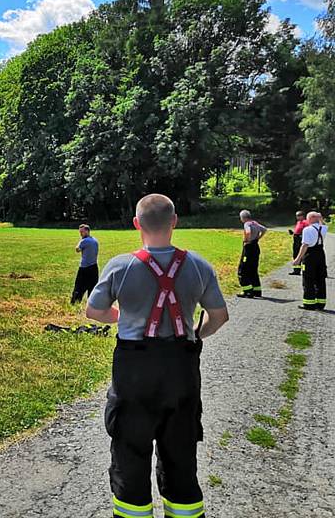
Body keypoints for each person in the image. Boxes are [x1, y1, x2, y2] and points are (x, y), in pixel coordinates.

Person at [86, 194, 229, 518]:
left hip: (134, 371)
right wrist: (195, 333)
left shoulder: (121, 266)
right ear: (174, 221)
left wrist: (120, 315)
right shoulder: (198, 265)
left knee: (130, 455)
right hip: (181, 368)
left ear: (137, 224)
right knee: (180, 456)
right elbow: (219, 315)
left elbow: (93, 311)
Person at [293, 211, 328, 310]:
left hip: (310, 255)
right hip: (320, 254)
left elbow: (304, 245)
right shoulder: (323, 228)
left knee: (308, 279)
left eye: (308, 218)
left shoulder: (307, 230)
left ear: (311, 219)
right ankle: (321, 303)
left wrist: (298, 259)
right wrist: (320, 217)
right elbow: (323, 224)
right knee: (320, 278)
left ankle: (309, 303)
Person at [237, 209, 267, 298]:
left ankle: (247, 291)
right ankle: (257, 291)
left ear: (243, 218)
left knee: (243, 269)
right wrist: (258, 238)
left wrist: (247, 240)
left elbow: (248, 232)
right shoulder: (255, 223)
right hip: (255, 247)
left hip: (249, 248)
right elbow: (264, 229)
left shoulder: (247, 224)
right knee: (253, 269)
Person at [71, 224, 99, 304]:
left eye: (82, 232)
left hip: (84, 268)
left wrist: (79, 243)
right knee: (92, 287)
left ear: (87, 231)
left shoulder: (84, 241)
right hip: (94, 267)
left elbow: (77, 249)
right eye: (80, 232)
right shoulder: (95, 240)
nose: (80, 234)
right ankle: (92, 303)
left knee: (79, 286)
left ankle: (75, 302)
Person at [288, 210, 309, 275]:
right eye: (297, 215)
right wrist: (293, 233)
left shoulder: (305, 222)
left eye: (299, 215)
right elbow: (297, 230)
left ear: (302, 216)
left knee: (302, 256)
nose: (297, 217)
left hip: (301, 239)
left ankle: (304, 270)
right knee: (295, 255)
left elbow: (307, 231)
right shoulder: (298, 222)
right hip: (296, 239)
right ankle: (296, 270)